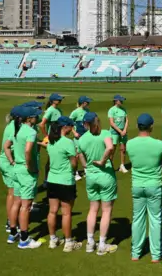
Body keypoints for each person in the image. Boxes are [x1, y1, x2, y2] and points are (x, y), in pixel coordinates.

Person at [126, 114, 162, 263]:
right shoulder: (158, 144)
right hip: (154, 185)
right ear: (151, 126)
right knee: (155, 220)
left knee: (138, 219)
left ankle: (135, 253)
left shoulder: (130, 144)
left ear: (138, 126)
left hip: (137, 185)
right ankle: (155, 255)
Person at [77, 112, 118, 255]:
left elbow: (79, 153)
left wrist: (85, 167)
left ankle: (89, 242)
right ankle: (102, 244)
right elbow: (110, 147)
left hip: (91, 177)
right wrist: (102, 161)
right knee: (106, 210)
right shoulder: (105, 133)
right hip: (105, 176)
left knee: (93, 209)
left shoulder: (83, 139)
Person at [46, 116, 82, 252]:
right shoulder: (68, 142)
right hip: (65, 180)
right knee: (66, 213)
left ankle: (53, 239)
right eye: (70, 127)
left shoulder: (51, 141)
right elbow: (73, 163)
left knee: (52, 211)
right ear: (64, 127)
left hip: (52, 179)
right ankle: (68, 243)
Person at [11, 106, 44, 249]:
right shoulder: (30, 132)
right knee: (26, 206)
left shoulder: (17, 129)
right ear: (29, 118)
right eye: (35, 116)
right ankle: (24, 239)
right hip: (26, 172)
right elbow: (28, 151)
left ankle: (13, 233)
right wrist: (31, 167)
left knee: (16, 202)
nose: (37, 118)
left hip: (16, 169)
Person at [0, 106, 21, 234]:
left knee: (13, 193)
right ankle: (10, 222)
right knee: (12, 193)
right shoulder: (14, 127)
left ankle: (12, 220)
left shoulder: (13, 125)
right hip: (8, 162)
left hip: (7, 161)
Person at [40, 93, 64, 187]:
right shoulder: (50, 110)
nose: (60, 101)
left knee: (57, 157)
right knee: (51, 159)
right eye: (58, 99)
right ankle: (47, 180)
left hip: (59, 137)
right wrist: (46, 136)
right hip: (52, 138)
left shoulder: (58, 110)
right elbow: (42, 124)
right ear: (52, 100)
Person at [69, 95, 93, 181]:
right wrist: (74, 132)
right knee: (78, 154)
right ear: (83, 103)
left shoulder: (87, 111)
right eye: (87, 102)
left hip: (86, 136)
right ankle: (75, 173)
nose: (89, 103)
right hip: (78, 136)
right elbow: (69, 123)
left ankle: (86, 170)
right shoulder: (75, 112)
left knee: (86, 153)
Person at [108, 94, 129, 174]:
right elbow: (111, 123)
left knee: (123, 149)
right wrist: (120, 132)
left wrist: (124, 130)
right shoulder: (112, 110)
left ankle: (122, 165)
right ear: (116, 101)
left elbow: (127, 120)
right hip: (114, 132)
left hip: (123, 131)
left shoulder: (123, 109)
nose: (122, 102)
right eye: (120, 100)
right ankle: (110, 165)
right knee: (112, 149)